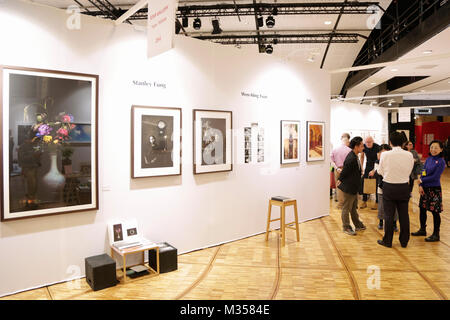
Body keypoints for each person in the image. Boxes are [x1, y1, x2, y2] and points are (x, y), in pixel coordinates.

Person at [376, 131, 414, 248]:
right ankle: (404, 241)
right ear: (403, 142)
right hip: (403, 186)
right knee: (404, 215)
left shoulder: (385, 155)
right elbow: (410, 171)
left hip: (389, 187)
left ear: (390, 142)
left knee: (389, 215)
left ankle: (388, 241)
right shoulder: (409, 155)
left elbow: (380, 171)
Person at [411, 140, 446, 242]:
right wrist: (421, 185)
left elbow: (435, 176)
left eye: (436, 148)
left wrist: (422, 180)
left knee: (435, 212)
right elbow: (423, 172)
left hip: (434, 189)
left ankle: (436, 234)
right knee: (422, 209)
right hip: (424, 188)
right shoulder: (428, 159)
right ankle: (422, 229)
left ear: (441, 149)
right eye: (431, 147)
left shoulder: (441, 161)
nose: (433, 149)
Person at [337, 136, 366, 236]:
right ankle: (346, 227)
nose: (363, 148)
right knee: (346, 207)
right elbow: (345, 171)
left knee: (353, 207)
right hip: (349, 187)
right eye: (362, 146)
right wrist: (339, 180)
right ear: (356, 146)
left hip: (353, 187)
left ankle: (357, 224)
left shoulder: (354, 156)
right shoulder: (351, 158)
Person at [370, 144, 399, 231]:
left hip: (393, 187)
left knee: (394, 207)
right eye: (381, 153)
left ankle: (394, 223)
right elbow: (378, 172)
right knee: (381, 206)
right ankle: (381, 222)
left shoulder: (393, 161)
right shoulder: (377, 162)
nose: (384, 155)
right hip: (381, 188)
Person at [331, 133, 352, 209]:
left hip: (338, 170)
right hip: (347, 170)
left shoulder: (335, 149)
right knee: (347, 186)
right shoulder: (350, 151)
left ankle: (340, 204)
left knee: (338, 186)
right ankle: (346, 204)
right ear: (347, 142)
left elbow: (332, 161)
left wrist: (337, 168)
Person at [360, 136, 380, 209]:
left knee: (376, 183)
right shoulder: (364, 146)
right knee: (364, 182)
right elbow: (362, 156)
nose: (368, 144)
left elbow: (379, 159)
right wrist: (361, 167)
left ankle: (377, 202)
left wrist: (374, 170)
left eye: (369, 142)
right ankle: (364, 201)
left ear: (373, 141)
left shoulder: (377, 147)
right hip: (368, 166)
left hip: (376, 165)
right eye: (366, 142)